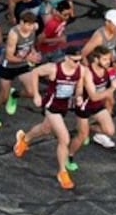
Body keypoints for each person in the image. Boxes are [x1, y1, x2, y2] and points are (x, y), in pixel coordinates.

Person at [13, 45, 87, 189]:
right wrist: (36, 94)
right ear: (66, 58)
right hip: (51, 106)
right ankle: (62, 172)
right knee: (64, 138)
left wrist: (78, 97)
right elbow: (35, 73)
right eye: (74, 61)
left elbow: (79, 87)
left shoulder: (81, 70)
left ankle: (24, 139)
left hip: (63, 106)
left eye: (80, 61)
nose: (77, 64)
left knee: (45, 129)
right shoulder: (54, 68)